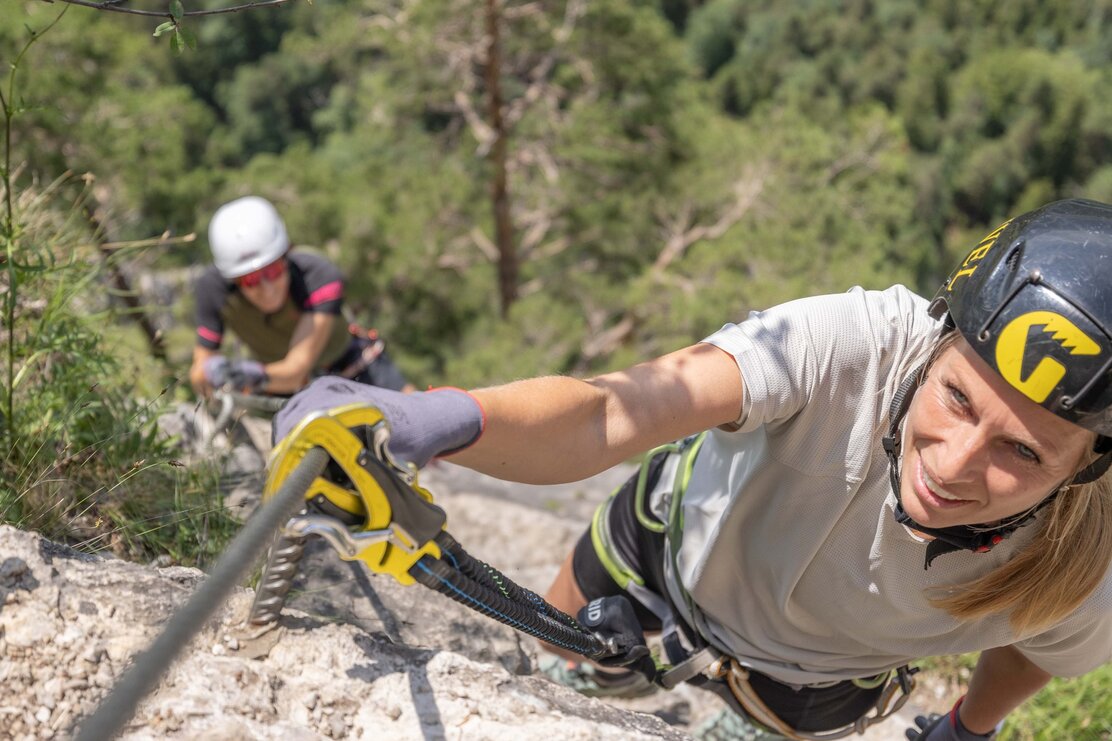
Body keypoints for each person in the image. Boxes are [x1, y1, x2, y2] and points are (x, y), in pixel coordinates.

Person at [272, 198, 1112, 740]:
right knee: (524, 686)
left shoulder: (1086, 563)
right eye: (958, 398)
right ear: (938, 337)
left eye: (1024, 452)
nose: (955, 464)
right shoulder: (849, 345)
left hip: (800, 695)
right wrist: (431, 420)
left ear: (1086, 469)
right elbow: (615, 409)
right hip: (653, 554)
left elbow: (1044, 641)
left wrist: (969, 728)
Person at [188, 195, 414, 398]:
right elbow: (200, 367)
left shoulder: (317, 276)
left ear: (287, 254)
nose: (267, 288)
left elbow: (296, 370)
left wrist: (247, 374)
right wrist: (209, 371)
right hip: (275, 385)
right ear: (232, 280)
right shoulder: (213, 290)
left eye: (273, 270)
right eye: (251, 280)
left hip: (352, 367)